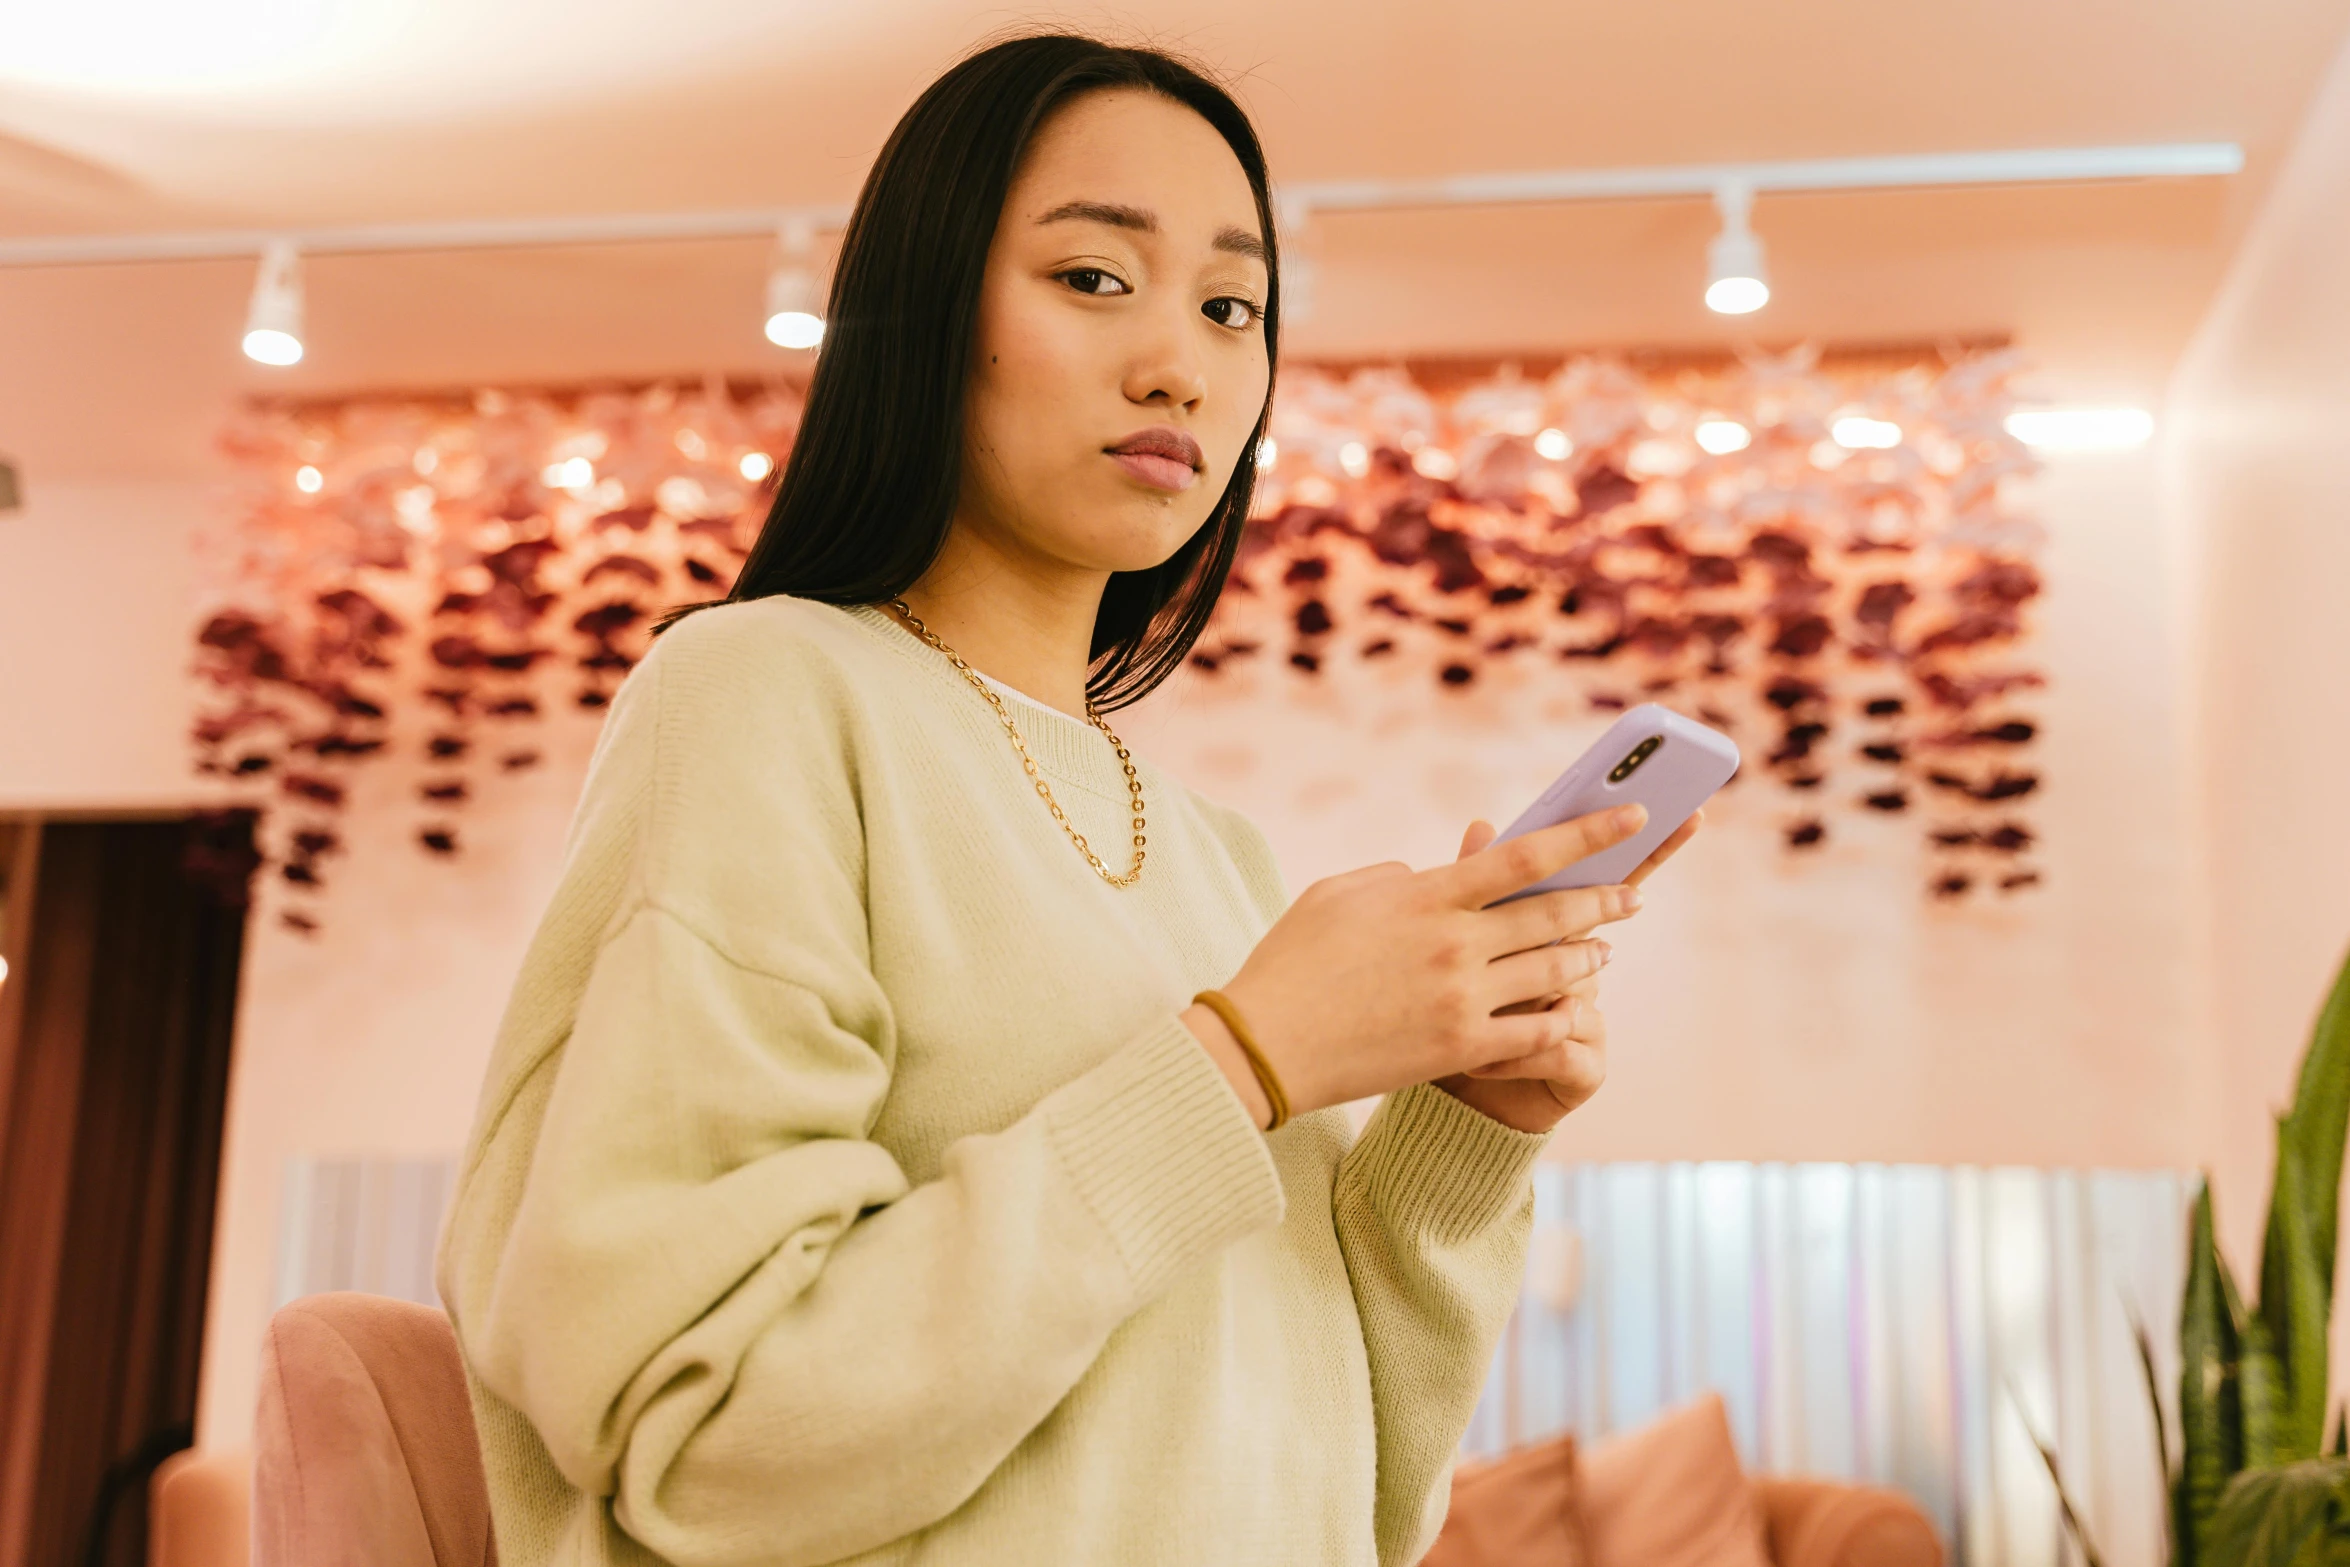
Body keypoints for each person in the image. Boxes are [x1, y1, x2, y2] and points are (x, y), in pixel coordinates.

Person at [437, 31, 1697, 1567]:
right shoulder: (763, 693)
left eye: (1232, 307)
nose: (1179, 359)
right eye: (1094, 278)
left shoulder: (1217, 857)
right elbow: (713, 1440)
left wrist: (1460, 1130)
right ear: (922, 311)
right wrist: (1244, 1053)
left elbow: (1355, 1500)